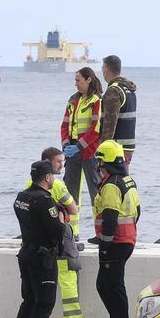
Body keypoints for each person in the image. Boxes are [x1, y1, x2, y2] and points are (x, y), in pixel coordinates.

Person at [29, 147, 92, 318]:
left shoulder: (29, 185)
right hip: (61, 242)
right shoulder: (57, 185)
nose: (62, 165)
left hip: (38, 244)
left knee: (38, 289)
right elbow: (73, 210)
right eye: (58, 162)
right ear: (48, 164)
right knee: (68, 284)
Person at [10, 160, 64, 318]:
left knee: (29, 300)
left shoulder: (21, 197)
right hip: (43, 258)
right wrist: (61, 220)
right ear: (48, 177)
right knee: (44, 303)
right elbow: (56, 231)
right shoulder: (45, 201)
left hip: (26, 253)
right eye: (53, 176)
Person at [92, 140, 140, 318]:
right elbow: (137, 212)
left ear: (106, 162)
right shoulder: (127, 180)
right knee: (107, 285)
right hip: (126, 240)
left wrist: (105, 244)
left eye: (100, 161)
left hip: (115, 243)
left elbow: (110, 217)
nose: (98, 166)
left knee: (111, 288)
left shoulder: (111, 184)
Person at [60, 67, 104, 215]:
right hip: (72, 151)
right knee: (70, 192)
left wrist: (79, 146)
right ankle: (72, 232)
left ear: (88, 80)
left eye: (78, 80)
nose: (76, 84)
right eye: (75, 80)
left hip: (90, 152)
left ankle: (101, 233)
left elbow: (95, 130)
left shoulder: (96, 100)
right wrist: (66, 144)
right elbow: (65, 125)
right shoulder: (73, 100)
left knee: (96, 192)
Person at [100, 55, 138, 165]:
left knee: (112, 180)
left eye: (102, 68)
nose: (102, 71)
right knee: (122, 179)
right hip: (128, 145)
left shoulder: (113, 91)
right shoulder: (128, 89)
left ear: (106, 69)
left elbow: (109, 124)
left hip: (115, 149)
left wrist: (103, 149)